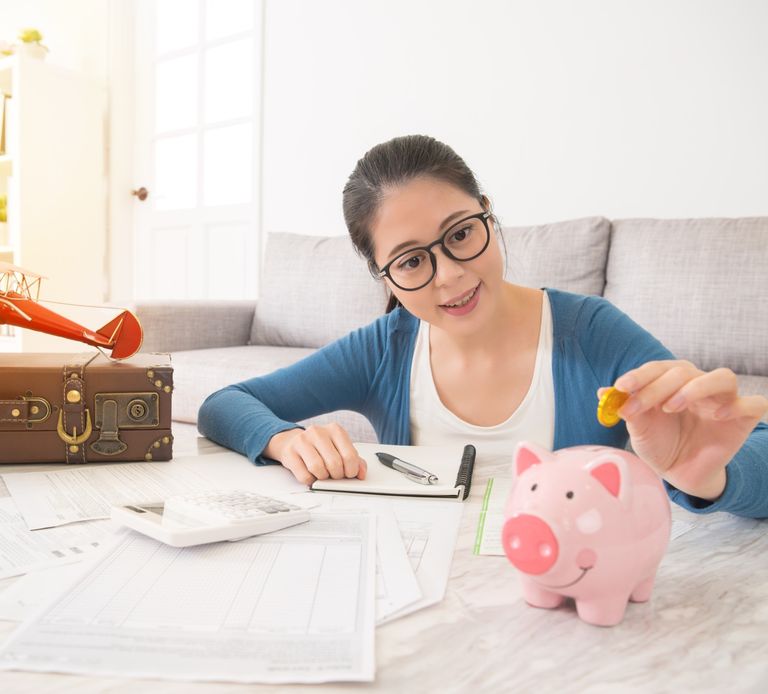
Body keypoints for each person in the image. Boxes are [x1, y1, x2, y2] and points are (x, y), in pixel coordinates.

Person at [198, 135, 768, 518]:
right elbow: (225, 403)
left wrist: (706, 476)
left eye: (461, 234)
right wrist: (284, 438)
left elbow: (745, 445)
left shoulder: (588, 331)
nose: (450, 275)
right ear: (384, 277)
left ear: (489, 214)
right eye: (412, 261)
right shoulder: (384, 349)